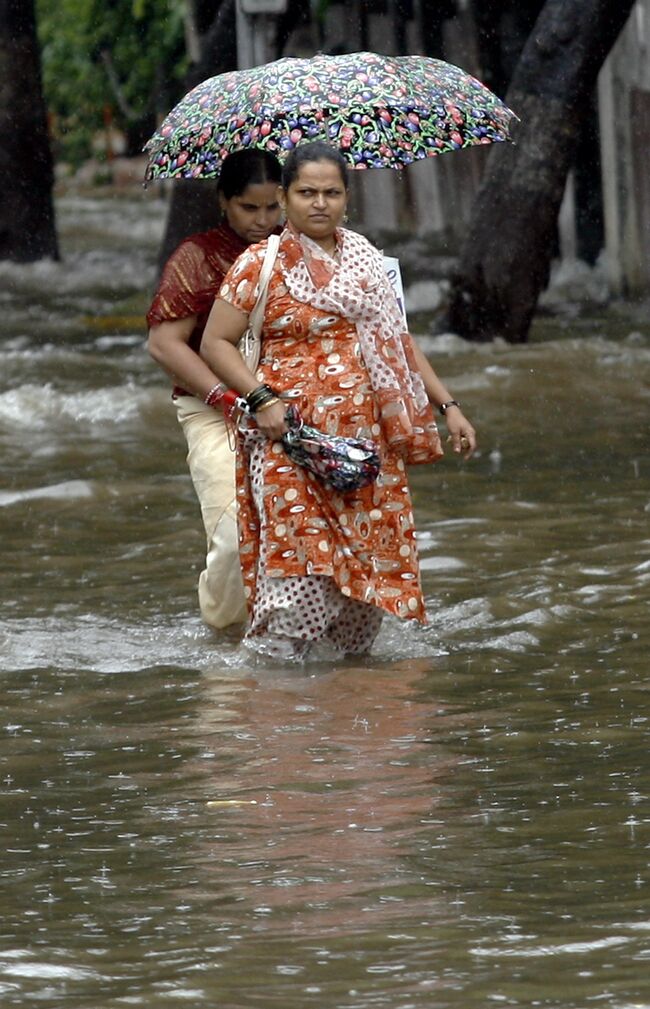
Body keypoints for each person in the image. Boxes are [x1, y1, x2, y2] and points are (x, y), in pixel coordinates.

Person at [200, 140, 476, 659]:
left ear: (348, 198)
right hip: (290, 442)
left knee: (362, 594)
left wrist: (448, 406)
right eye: (306, 192)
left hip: (366, 450)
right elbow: (214, 343)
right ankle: (275, 702)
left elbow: (401, 341)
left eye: (331, 192)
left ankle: (348, 710)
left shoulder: (370, 265)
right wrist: (261, 398)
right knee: (300, 574)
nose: (319, 203)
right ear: (284, 197)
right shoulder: (260, 265)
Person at [147, 149, 282, 629]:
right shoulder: (198, 258)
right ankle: (224, 640)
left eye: (273, 207)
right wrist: (227, 398)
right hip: (212, 407)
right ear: (223, 200)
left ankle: (286, 638)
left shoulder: (301, 251)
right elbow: (164, 345)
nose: (263, 221)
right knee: (233, 533)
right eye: (250, 208)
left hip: (289, 409)